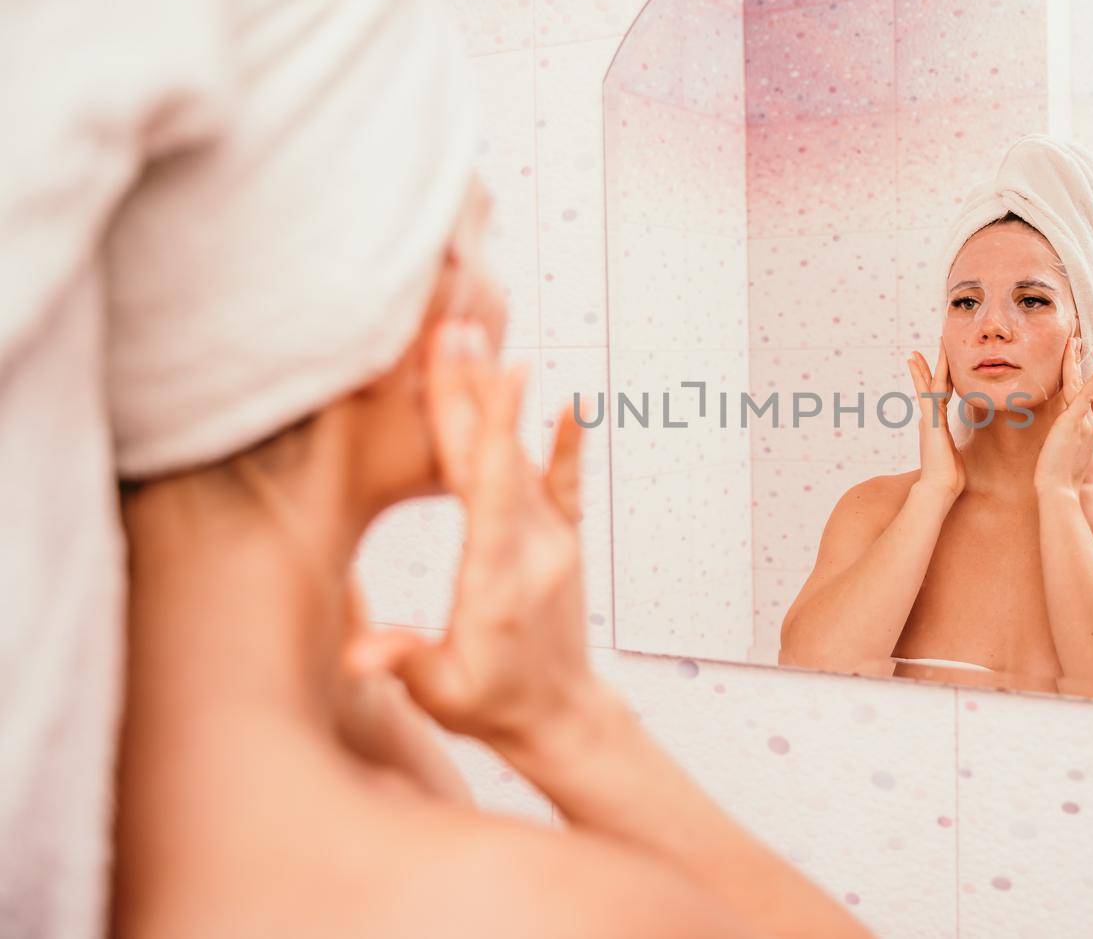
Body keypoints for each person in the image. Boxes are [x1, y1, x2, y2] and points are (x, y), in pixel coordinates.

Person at [114, 176, 874, 938]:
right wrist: (567, 718)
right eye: (476, 239)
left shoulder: (116, 763)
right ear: (390, 304)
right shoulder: (532, 905)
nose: (496, 298)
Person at [778, 137, 1093, 704]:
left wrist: (1057, 495)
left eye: (1032, 300)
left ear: (1081, 331)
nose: (991, 326)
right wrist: (934, 491)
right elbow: (806, 674)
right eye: (965, 302)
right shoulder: (875, 509)